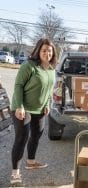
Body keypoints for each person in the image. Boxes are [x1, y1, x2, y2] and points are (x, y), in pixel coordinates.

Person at [10, 38, 57, 185]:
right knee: (21, 139)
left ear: (53, 53)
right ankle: (15, 173)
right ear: (38, 51)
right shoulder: (29, 66)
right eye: (44, 50)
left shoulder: (51, 69)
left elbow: (50, 89)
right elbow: (18, 85)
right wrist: (19, 106)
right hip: (23, 108)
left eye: (49, 51)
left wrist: (48, 103)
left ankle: (31, 162)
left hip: (40, 110)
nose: (47, 53)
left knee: (36, 136)